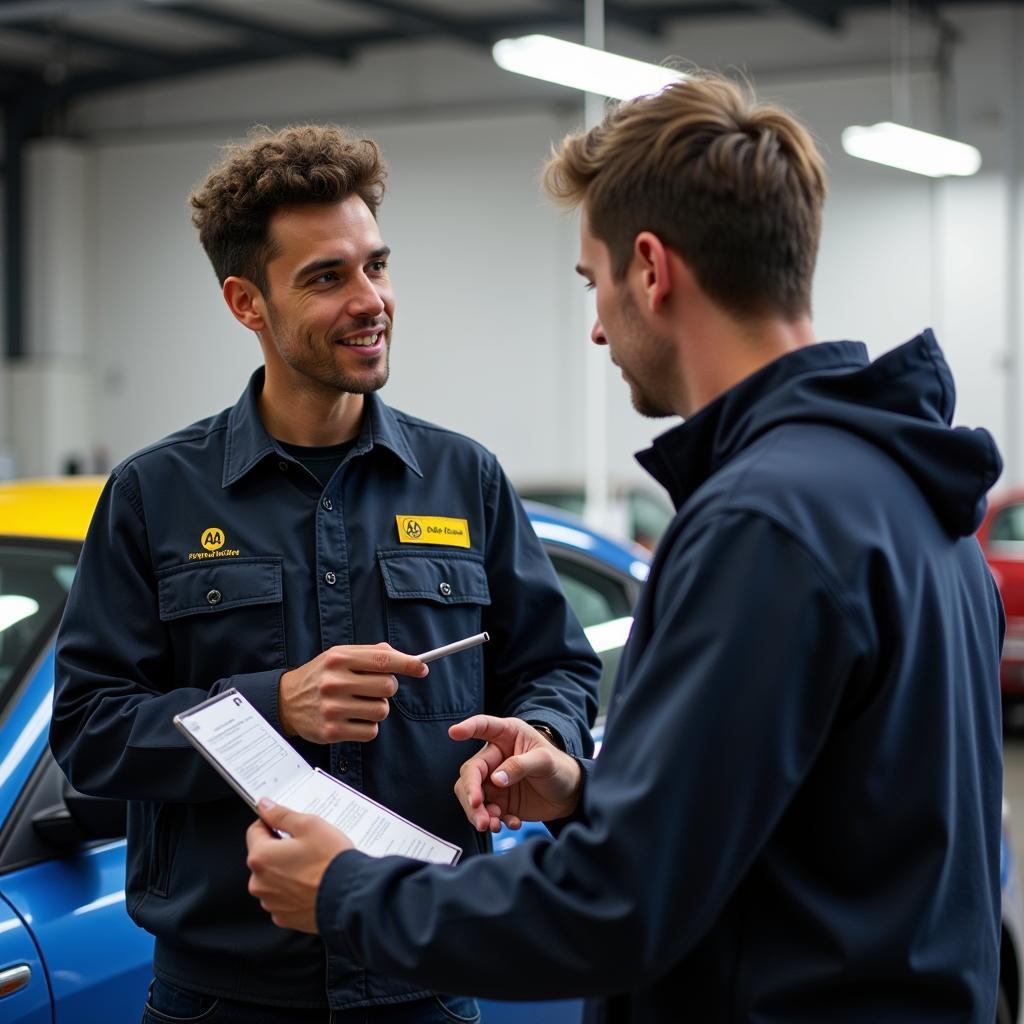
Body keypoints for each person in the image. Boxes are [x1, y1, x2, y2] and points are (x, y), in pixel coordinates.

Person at [244, 73, 1006, 1023]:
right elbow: (825, 819)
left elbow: (613, 908)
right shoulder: (905, 487)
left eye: (595, 284)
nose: (600, 326)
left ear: (651, 268)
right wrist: (587, 791)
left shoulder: (762, 525)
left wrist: (347, 892)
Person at [49, 125, 600, 1024]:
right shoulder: (155, 495)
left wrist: (536, 735)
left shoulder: (467, 480)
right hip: (222, 1000)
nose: (370, 299)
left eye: (376, 265)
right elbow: (89, 729)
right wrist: (273, 703)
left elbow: (560, 666)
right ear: (246, 302)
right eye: (326, 277)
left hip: (426, 979)